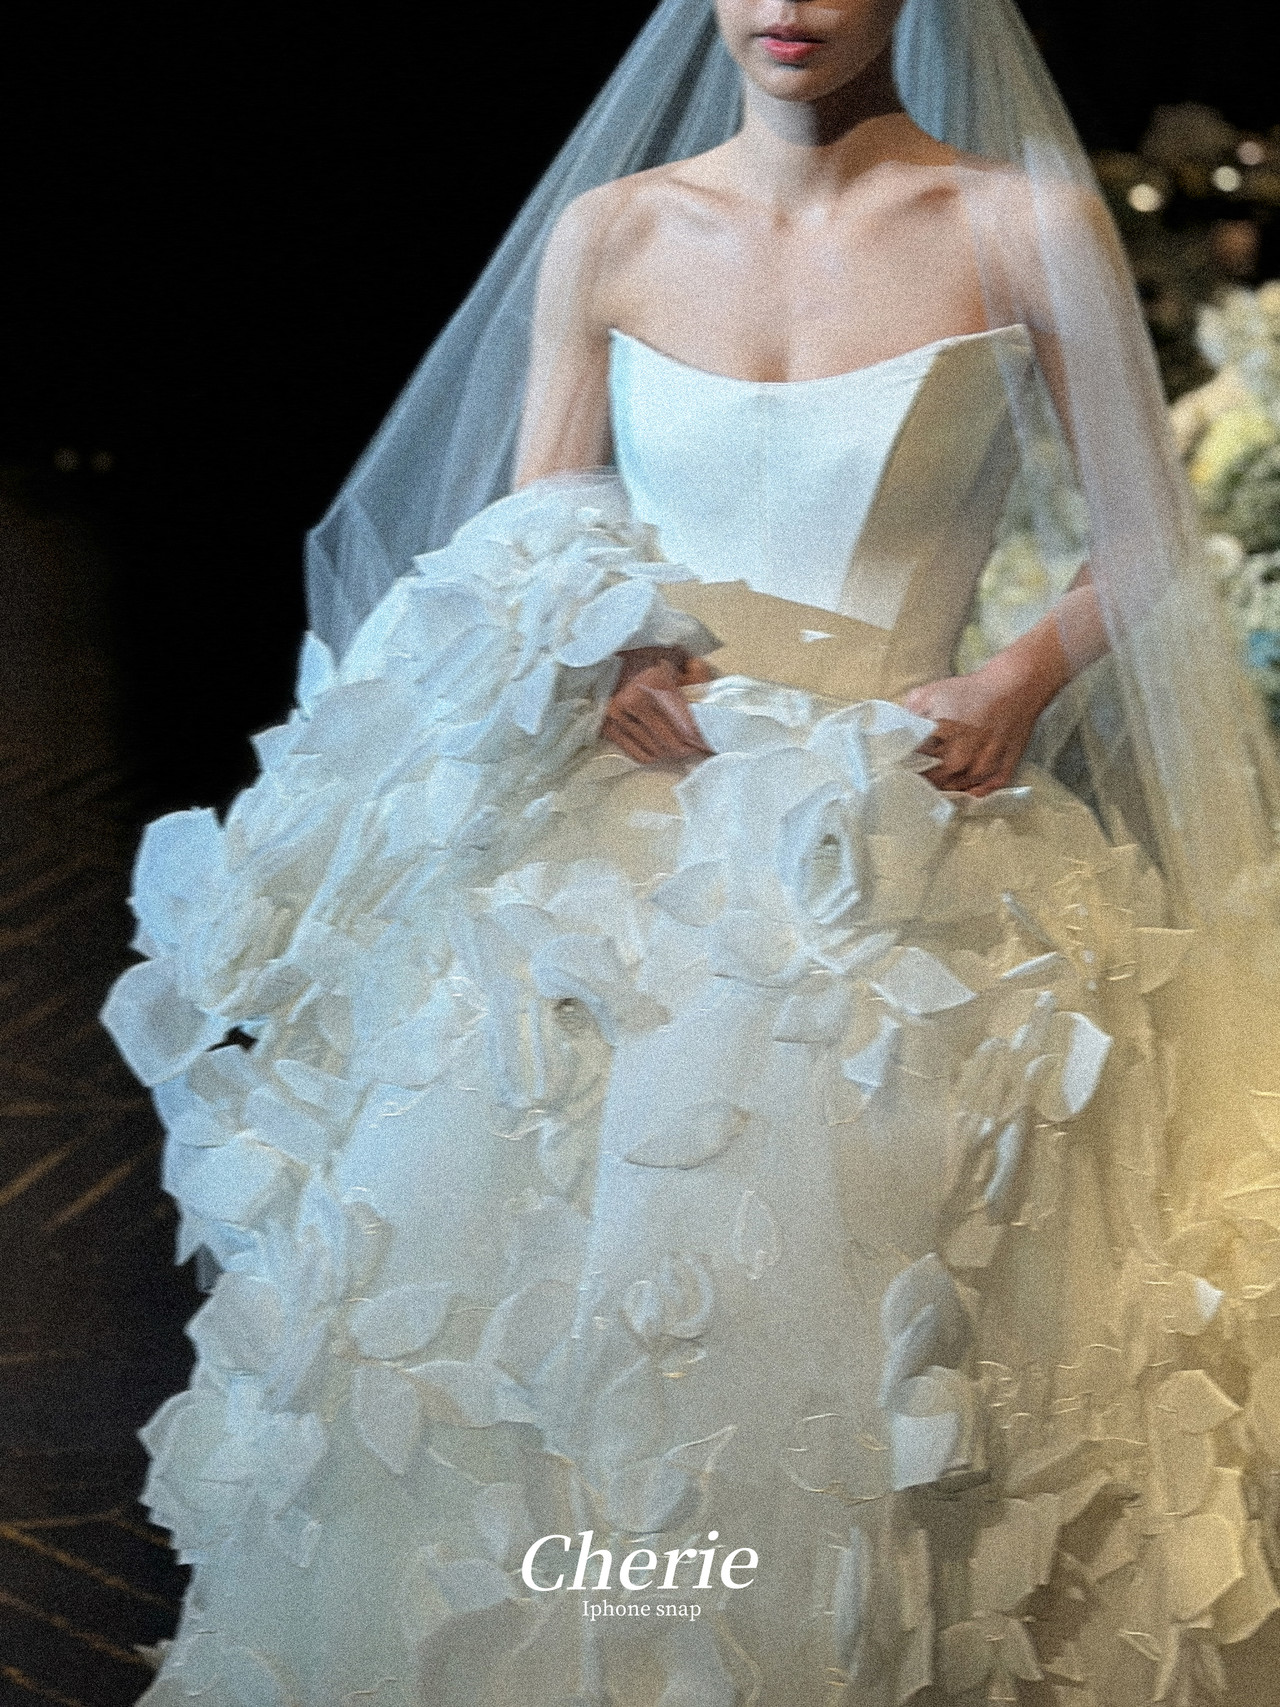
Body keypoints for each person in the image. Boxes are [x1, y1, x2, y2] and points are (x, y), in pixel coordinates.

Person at [103, 2, 1280, 1702]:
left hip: (911, 846)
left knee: (905, 1347)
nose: (790, 6)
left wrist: (1019, 679)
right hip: (626, 852)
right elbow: (540, 524)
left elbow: (1146, 531)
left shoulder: (1016, 222)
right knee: (540, 1335)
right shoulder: (617, 230)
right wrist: (602, 645)